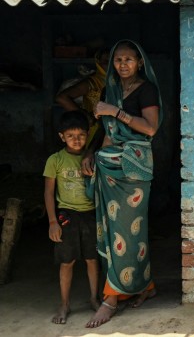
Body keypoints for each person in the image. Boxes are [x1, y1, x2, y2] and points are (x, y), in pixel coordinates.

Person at [82, 40, 162, 328]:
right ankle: (145, 286)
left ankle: (111, 298)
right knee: (113, 232)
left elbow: (150, 127)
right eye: (118, 60)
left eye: (129, 59)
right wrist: (90, 153)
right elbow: (105, 130)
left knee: (128, 234)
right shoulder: (110, 90)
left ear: (139, 62)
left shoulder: (147, 89)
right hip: (109, 167)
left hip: (133, 171)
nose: (123, 64)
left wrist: (115, 111)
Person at [43, 110, 99, 324]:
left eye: (82, 135)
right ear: (61, 137)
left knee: (92, 259)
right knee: (67, 261)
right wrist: (52, 222)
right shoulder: (55, 160)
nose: (77, 140)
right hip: (66, 215)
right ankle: (64, 304)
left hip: (90, 214)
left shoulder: (93, 158)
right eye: (70, 135)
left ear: (88, 134)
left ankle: (94, 299)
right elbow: (48, 192)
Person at [55, 48, 110, 147]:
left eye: (112, 60)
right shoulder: (93, 82)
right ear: (98, 62)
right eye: (105, 61)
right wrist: (85, 116)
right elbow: (62, 98)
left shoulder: (121, 82)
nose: (109, 63)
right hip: (96, 129)